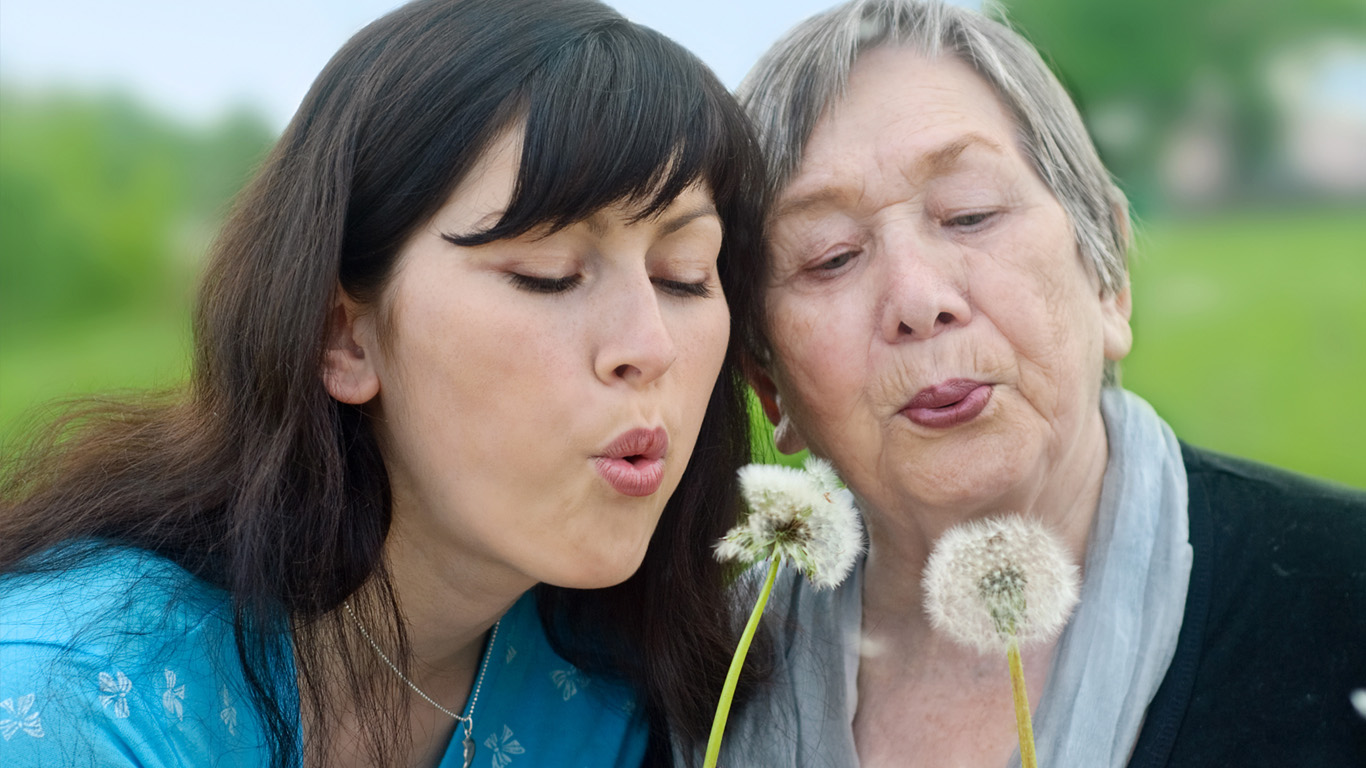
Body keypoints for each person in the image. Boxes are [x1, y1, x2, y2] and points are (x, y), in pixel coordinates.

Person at [0, 0, 766, 765]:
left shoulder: (612, 696)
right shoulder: (70, 702)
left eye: (684, 276)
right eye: (549, 274)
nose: (650, 346)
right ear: (344, 336)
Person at [698, 1, 1366, 766]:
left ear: (1108, 276)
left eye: (970, 214)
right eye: (831, 257)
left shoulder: (1345, 590)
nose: (919, 300)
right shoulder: (682, 675)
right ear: (768, 386)